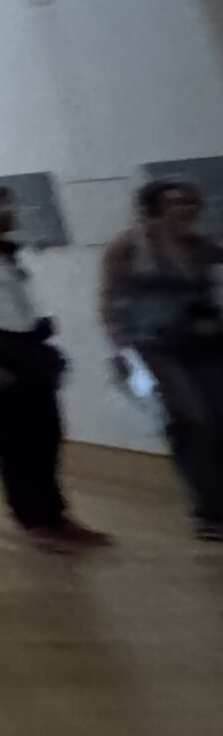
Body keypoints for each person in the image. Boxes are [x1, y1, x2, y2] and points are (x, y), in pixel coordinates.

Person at [0, 182, 111, 553]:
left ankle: (55, 513)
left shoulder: (5, 252)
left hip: (26, 347)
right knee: (18, 437)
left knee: (47, 432)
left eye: (9, 203)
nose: (8, 211)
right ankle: (34, 519)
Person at [99, 178, 223, 542]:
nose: (185, 209)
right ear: (153, 208)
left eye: (189, 202)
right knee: (191, 421)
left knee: (218, 419)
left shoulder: (199, 245)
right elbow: (107, 301)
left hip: (207, 340)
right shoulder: (129, 246)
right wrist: (120, 349)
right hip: (155, 345)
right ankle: (209, 511)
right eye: (174, 203)